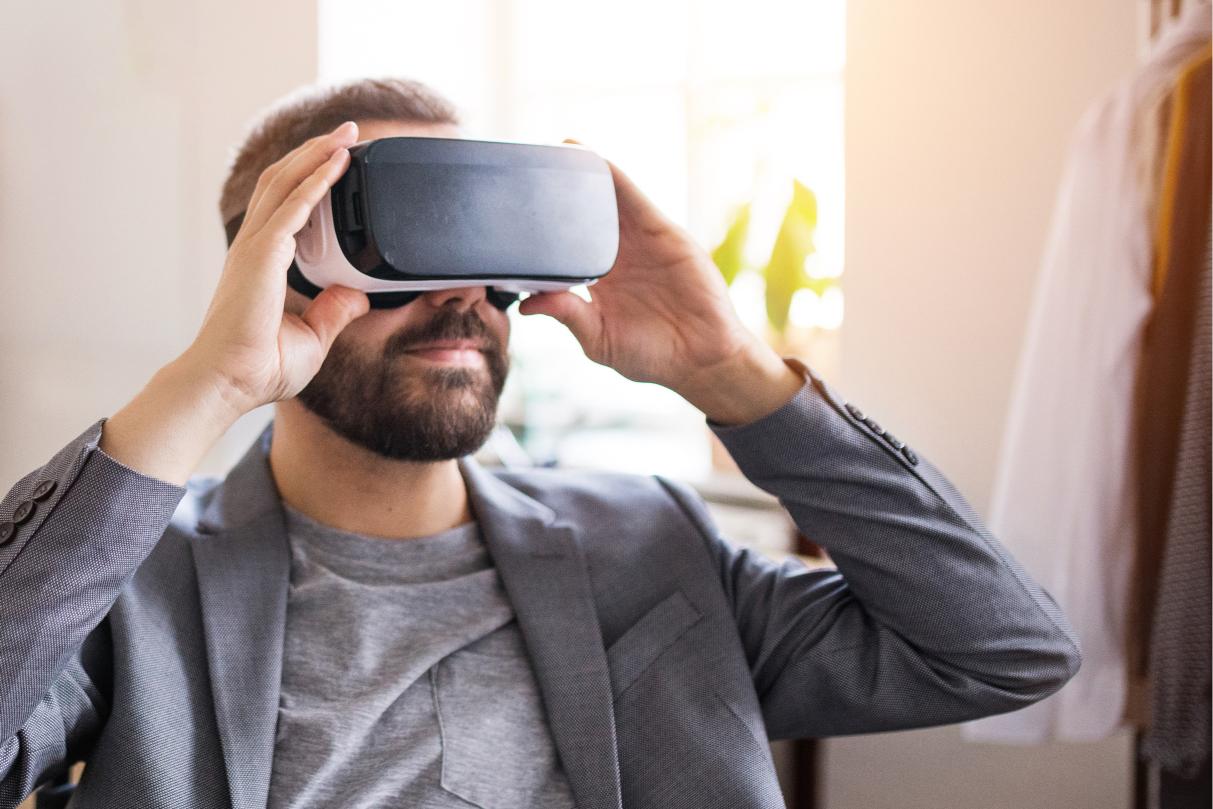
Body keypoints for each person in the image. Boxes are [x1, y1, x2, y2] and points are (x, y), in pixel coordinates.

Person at [0, 77, 1081, 809]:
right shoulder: (132, 585)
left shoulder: (646, 541)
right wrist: (203, 387)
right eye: (404, 245)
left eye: (484, 236)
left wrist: (735, 377)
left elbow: (1004, 649)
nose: (462, 295)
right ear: (272, 269)